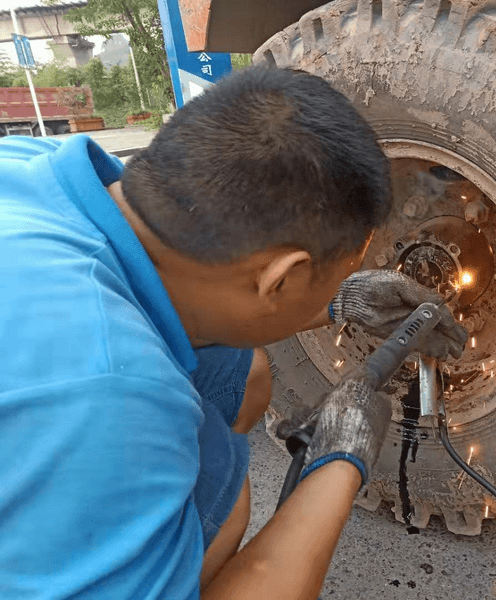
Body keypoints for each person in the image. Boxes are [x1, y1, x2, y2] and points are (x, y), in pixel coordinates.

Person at [0, 67, 467, 599]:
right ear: (281, 279)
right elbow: (101, 391)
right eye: (337, 276)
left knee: (241, 371)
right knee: (223, 504)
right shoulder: (108, 395)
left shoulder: (31, 166)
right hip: (85, 421)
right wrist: (341, 460)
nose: (342, 288)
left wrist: (341, 298)